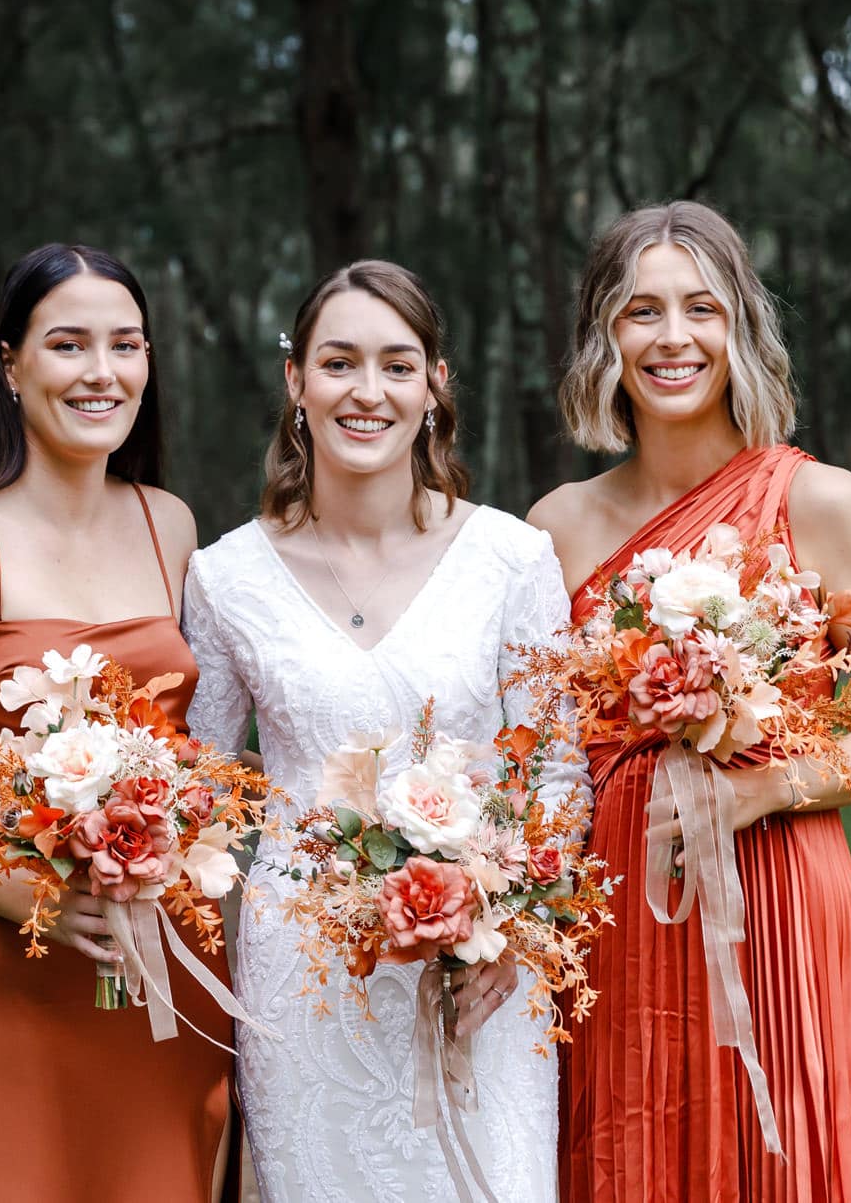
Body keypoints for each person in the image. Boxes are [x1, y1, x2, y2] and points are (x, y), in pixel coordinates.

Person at [528, 202, 851, 1203]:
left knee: (780, 1158)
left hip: (778, 900)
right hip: (615, 914)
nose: (672, 339)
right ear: (603, 337)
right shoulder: (553, 526)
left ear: (741, 330)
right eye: (640, 312)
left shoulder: (819, 503)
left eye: (700, 309)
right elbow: (533, 751)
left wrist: (763, 791)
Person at [184, 259, 580, 1203]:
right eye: (339, 363)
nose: (368, 392)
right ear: (297, 383)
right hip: (304, 983)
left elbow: (560, 770)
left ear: (435, 385)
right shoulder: (225, 576)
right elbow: (196, 793)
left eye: (398, 365)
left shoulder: (512, 560)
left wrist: (510, 931)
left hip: (480, 979)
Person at [0, 243, 233, 1202]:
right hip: (15, 962)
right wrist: (38, 899)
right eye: (69, 344)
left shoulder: (170, 523)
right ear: (10, 363)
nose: (102, 372)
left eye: (127, 344)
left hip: (166, 957)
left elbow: (199, 747)